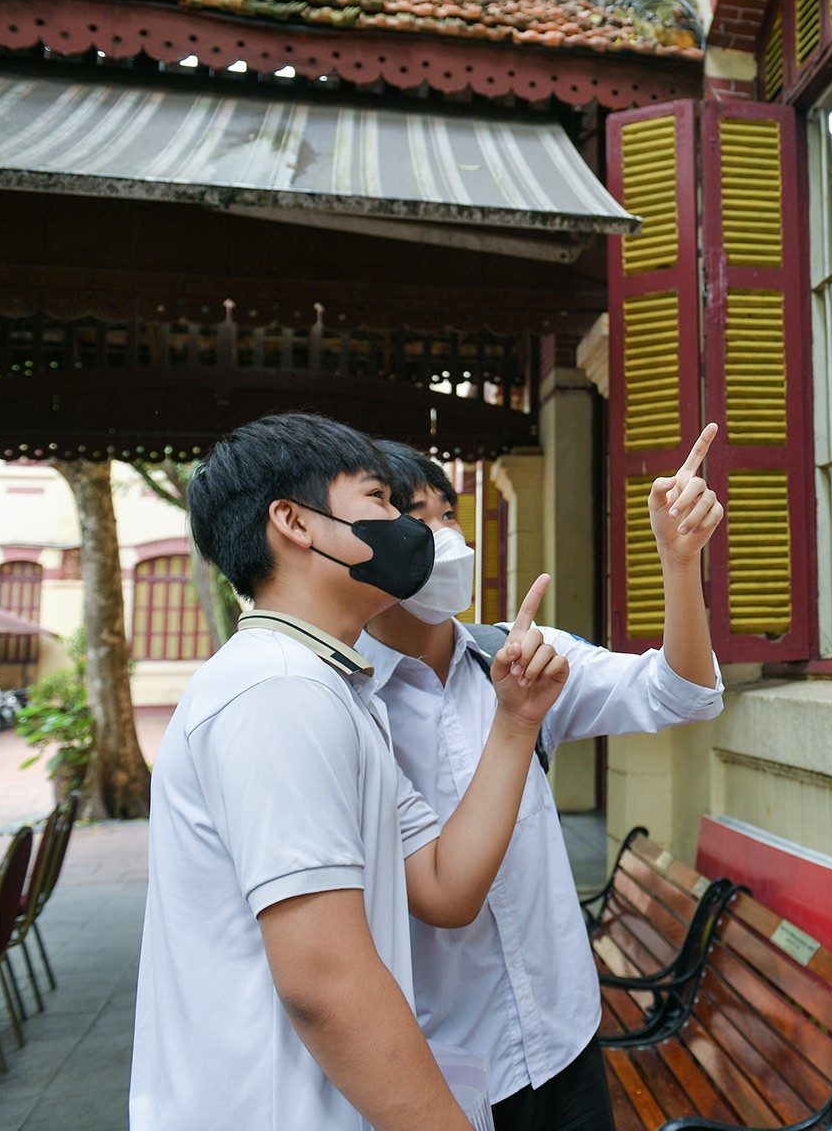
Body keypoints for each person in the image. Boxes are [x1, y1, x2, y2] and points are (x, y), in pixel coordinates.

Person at [131, 412, 571, 1131]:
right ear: (294, 522)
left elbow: (441, 884)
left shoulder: (328, 687)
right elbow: (325, 984)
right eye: (379, 500)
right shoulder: (279, 691)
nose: (406, 526)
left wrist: (517, 720)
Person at [359, 430, 725, 1131]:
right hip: (446, 1066)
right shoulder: (350, 704)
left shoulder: (522, 656)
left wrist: (679, 564)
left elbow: (683, 693)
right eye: (416, 518)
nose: (445, 540)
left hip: (566, 1038)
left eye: (449, 517)